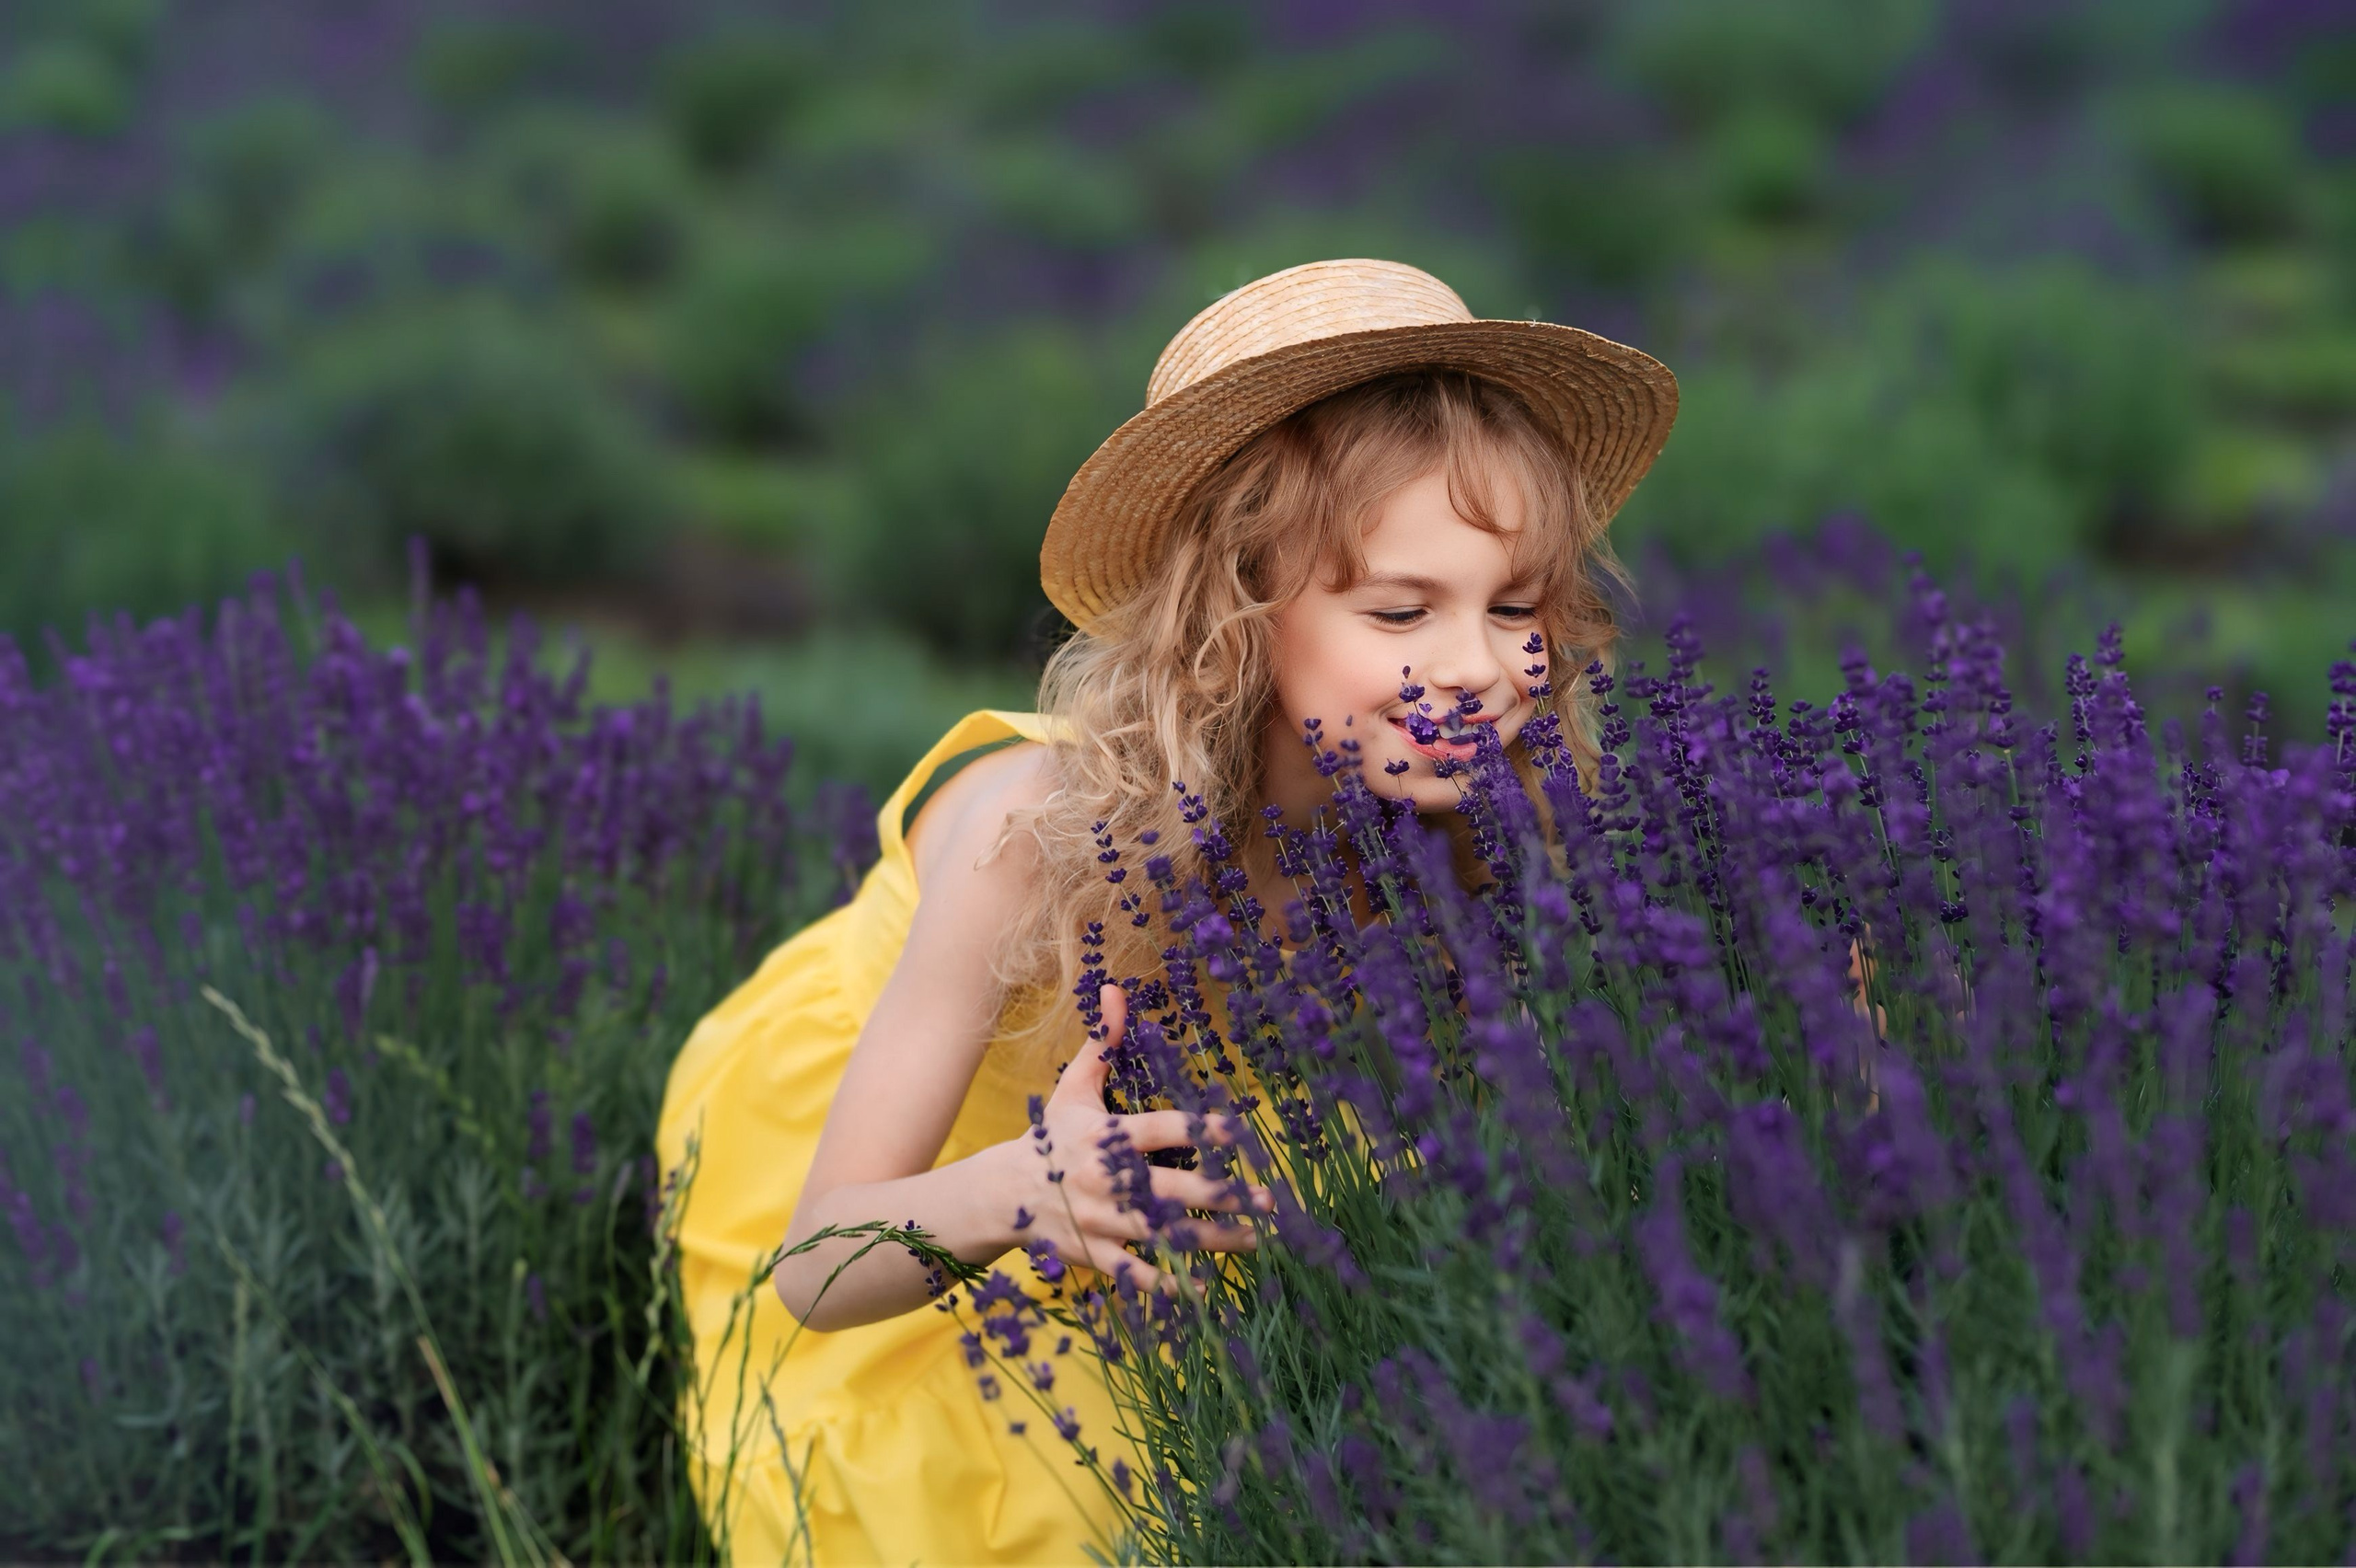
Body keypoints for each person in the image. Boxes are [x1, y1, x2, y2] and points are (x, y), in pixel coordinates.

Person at [653, 258, 1680, 1563]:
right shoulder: (1033, 839)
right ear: (1238, 613)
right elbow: (818, 1266)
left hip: (1154, 1203)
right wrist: (1025, 1190)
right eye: (1402, 611)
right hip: (925, 1197)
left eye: (1517, 606)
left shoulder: (1475, 821)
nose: (1477, 668)